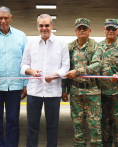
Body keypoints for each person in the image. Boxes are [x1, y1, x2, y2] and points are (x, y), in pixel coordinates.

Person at [68, 19, 118, 147]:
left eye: (114, 29)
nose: (111, 31)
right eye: (108, 28)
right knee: (103, 129)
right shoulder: (98, 46)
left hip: (117, 94)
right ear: (104, 29)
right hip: (100, 94)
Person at [20, 14, 70, 147]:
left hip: (53, 93)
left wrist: (55, 75)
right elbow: (23, 65)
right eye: (41, 25)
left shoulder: (61, 44)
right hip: (34, 92)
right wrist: (31, 72)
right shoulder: (30, 44)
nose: (44, 28)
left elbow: (66, 67)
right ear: (37, 27)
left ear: (52, 26)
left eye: (47, 25)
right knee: (32, 127)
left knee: (52, 128)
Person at [0, 6, 28, 147]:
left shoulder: (21, 36)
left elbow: (26, 61)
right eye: (0, 18)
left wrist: (25, 84)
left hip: (14, 87)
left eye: (6, 18)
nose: (3, 21)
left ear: (11, 18)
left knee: (13, 120)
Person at [62, 18, 103, 147]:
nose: (81, 30)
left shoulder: (97, 46)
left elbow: (98, 66)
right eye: (79, 28)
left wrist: (78, 71)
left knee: (95, 126)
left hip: (92, 93)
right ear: (75, 31)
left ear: (89, 30)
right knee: (77, 126)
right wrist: (64, 90)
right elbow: (65, 68)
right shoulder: (69, 47)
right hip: (75, 92)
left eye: (84, 28)